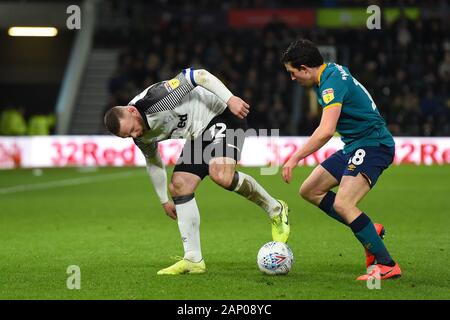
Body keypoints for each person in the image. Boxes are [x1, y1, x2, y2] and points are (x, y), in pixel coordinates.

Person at [104, 68, 290, 275]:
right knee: (179, 186)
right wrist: (164, 200)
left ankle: (276, 209)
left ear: (131, 111)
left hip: (223, 114)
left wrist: (230, 99)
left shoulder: (156, 99)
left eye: (132, 129)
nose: (135, 134)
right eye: (128, 136)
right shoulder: (140, 137)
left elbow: (197, 75)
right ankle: (193, 259)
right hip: (198, 133)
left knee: (221, 175)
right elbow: (153, 161)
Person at [280, 39, 401, 281]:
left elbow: (326, 131)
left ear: (305, 68)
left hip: (373, 144)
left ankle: (388, 265)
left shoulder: (330, 84)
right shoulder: (331, 72)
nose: (293, 79)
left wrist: (294, 158)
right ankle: (370, 231)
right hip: (355, 145)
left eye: (293, 73)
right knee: (310, 190)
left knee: (343, 204)